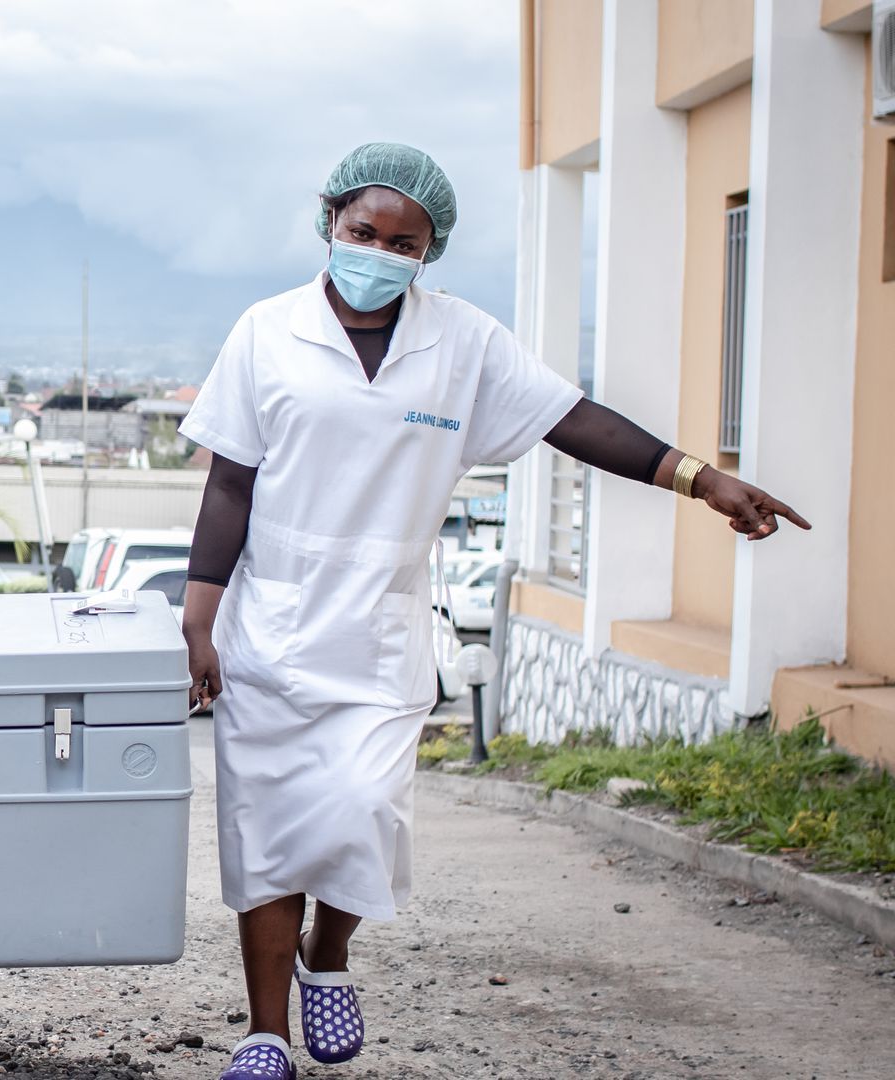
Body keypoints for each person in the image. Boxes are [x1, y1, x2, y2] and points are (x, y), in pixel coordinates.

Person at [179, 143, 806, 1080]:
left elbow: (574, 420)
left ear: (430, 250)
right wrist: (200, 618)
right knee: (263, 834)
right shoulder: (265, 332)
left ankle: (330, 955)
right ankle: (265, 1033)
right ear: (329, 224)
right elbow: (231, 484)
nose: (379, 252)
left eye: (404, 241)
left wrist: (702, 479)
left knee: (361, 812)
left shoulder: (464, 342)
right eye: (363, 232)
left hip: (381, 626)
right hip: (269, 620)